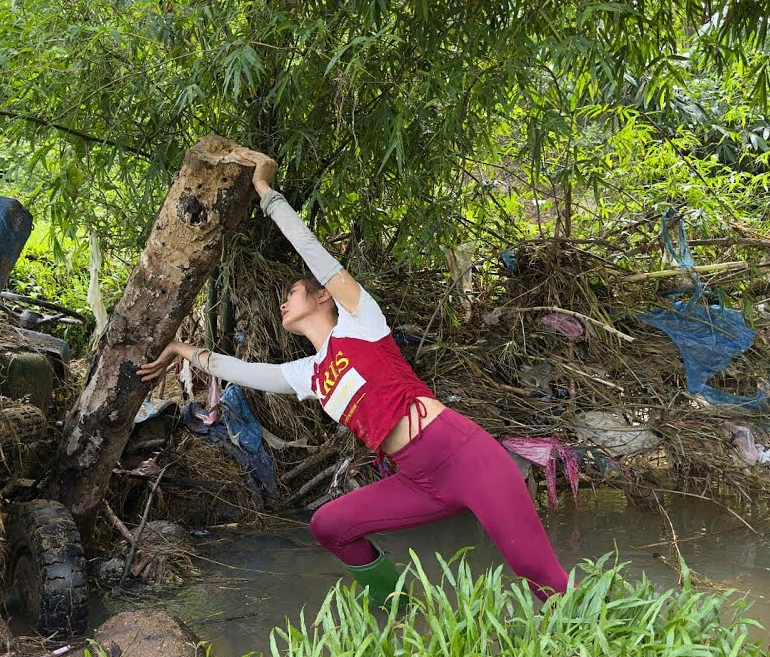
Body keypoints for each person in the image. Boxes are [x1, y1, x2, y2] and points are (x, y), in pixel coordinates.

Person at [138, 148, 569, 607]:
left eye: (293, 292)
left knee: (534, 570)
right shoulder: (310, 373)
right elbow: (240, 370)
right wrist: (182, 350)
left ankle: (597, 638)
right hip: (420, 479)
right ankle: (400, 608)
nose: (284, 303)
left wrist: (265, 193)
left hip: (464, 455)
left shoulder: (361, 322)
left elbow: (313, 251)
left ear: (324, 295)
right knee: (330, 525)